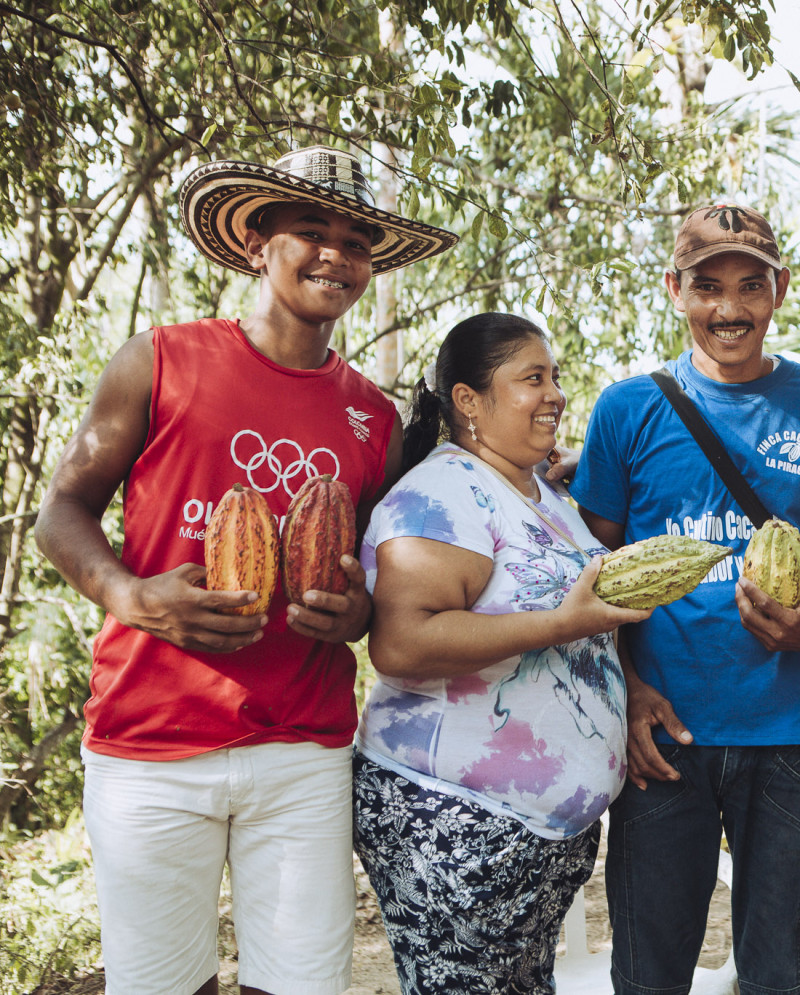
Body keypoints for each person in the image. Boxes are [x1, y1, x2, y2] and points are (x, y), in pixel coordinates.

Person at [34, 146, 457, 995]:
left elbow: (372, 579)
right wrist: (132, 595)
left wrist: (355, 611)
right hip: (151, 742)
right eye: (312, 230)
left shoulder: (372, 416)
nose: (336, 253)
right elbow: (61, 511)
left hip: (300, 744)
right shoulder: (158, 361)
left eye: (357, 239)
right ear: (258, 242)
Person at [569, 202, 800, 995]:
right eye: (709, 286)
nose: (730, 308)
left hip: (797, 733)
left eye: (750, 285)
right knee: (649, 969)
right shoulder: (627, 409)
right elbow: (584, 570)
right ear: (676, 289)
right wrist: (626, 686)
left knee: (779, 972)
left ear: (778, 291)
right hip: (664, 736)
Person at [352, 312, 645, 995]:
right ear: (468, 400)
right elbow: (401, 643)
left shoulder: (542, 491)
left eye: (556, 377)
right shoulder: (439, 495)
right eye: (532, 378)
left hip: (537, 837)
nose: (556, 393)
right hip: (455, 824)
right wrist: (557, 623)